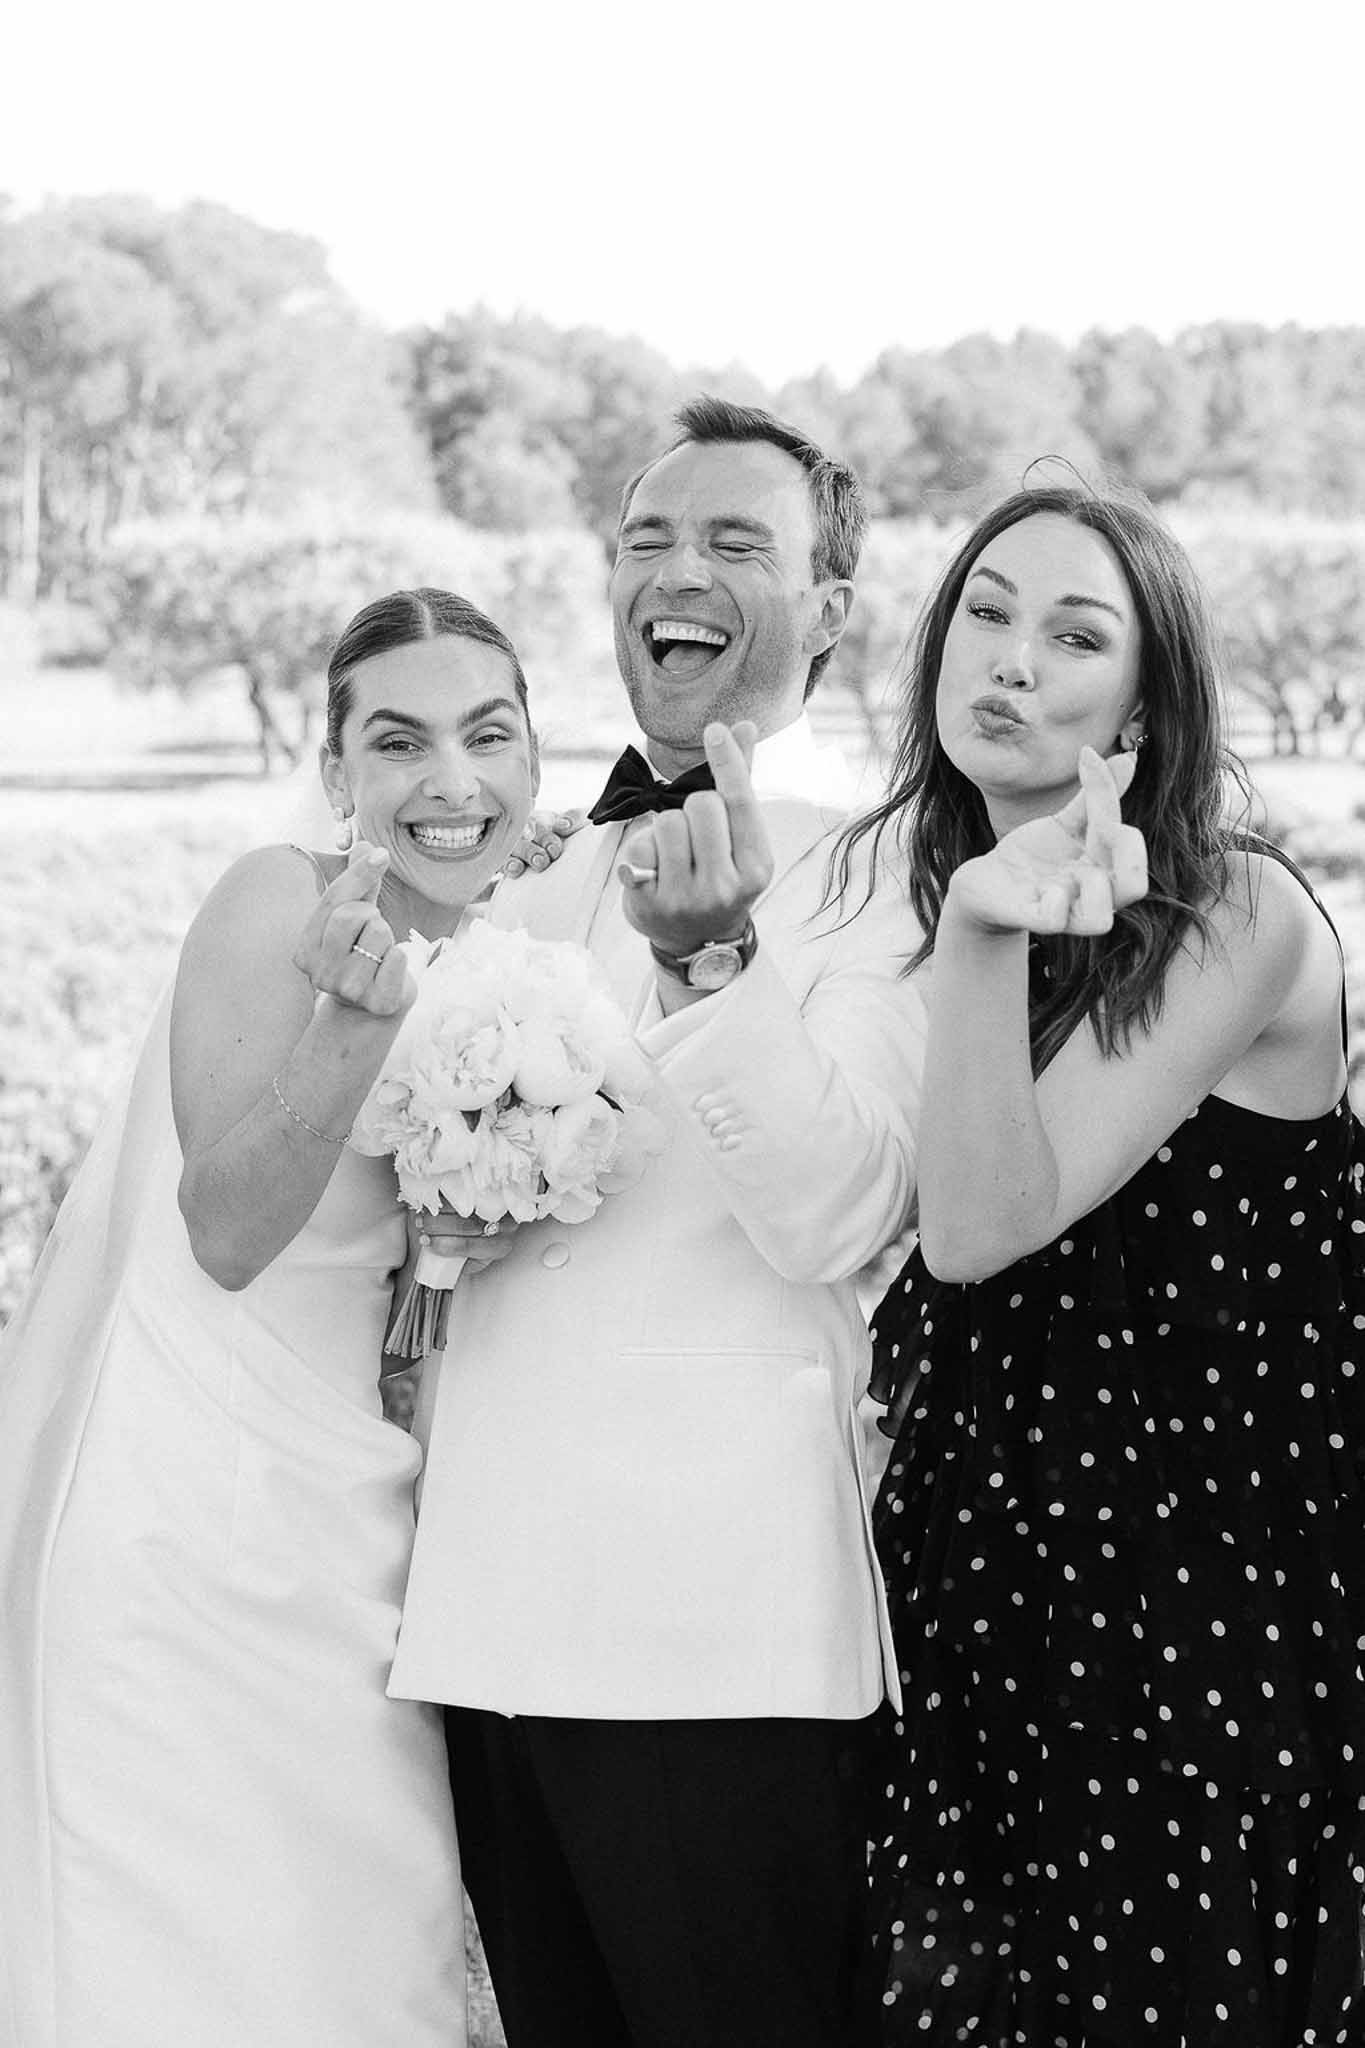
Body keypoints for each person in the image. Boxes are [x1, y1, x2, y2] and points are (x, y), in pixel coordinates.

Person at [388, 397, 929, 2048]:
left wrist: (712, 965)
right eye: (645, 539)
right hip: (489, 1617)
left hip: (715, 1641)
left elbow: (843, 1209)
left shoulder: (893, 872)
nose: (672, 571)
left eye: (732, 543)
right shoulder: (536, 873)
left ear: (830, 609)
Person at [844, 483, 1365, 2046]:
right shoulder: (944, 889)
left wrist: (980, 943)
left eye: (1074, 636)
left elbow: (986, 1223)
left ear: (1146, 704)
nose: (1009, 658)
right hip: (1005, 1574)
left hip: (1200, 1608)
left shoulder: (1234, 906)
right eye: (985, 613)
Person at [0, 587, 544, 2047]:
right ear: (338, 773)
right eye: (399, 742)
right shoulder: (275, 897)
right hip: (198, 1508)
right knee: (190, 1923)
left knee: (365, 1928)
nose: (452, 781)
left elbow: (410, 1294)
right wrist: (352, 1034)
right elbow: (226, 1227)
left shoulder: (519, 956)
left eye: (489, 735)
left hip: (359, 1501)